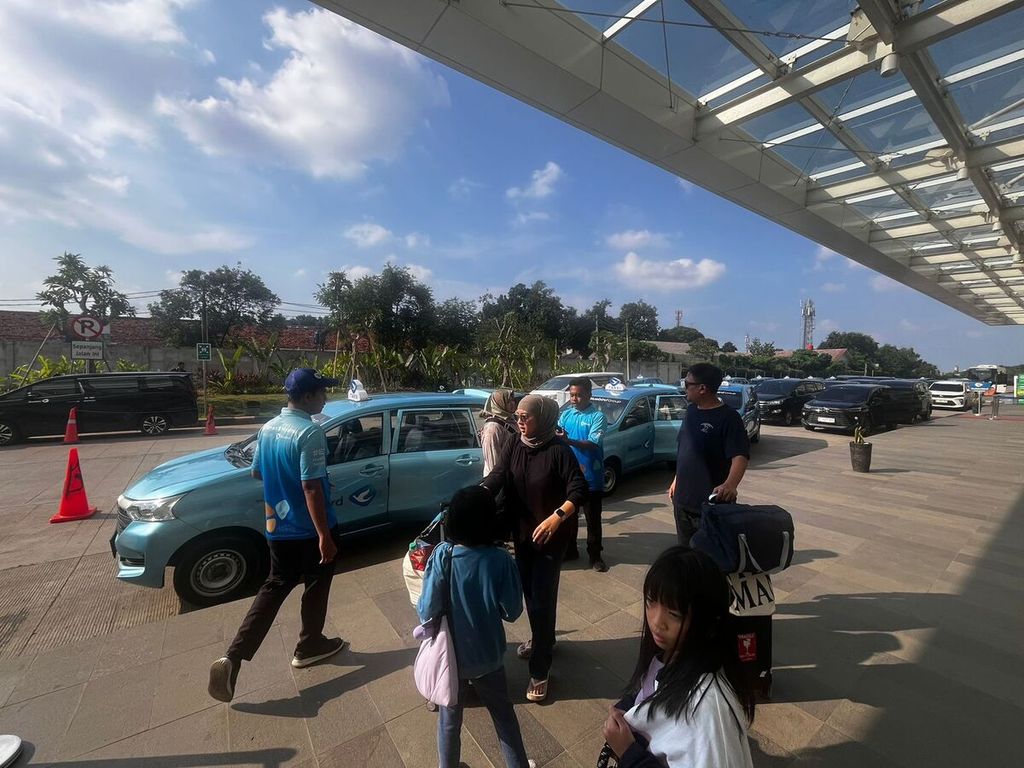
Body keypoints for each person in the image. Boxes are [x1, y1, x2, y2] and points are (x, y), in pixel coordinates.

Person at [208, 368, 346, 702]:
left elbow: (258, 471)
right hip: (306, 530)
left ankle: (233, 657)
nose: (326, 398)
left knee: (273, 588)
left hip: (275, 527)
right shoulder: (309, 433)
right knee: (316, 583)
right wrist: (324, 536)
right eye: (322, 392)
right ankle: (309, 643)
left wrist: (282, 486)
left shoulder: (269, 428)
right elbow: (311, 487)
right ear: (309, 396)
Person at [601, 546, 755, 768]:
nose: (656, 622)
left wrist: (628, 753)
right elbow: (650, 689)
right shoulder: (672, 653)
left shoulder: (707, 711)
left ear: (709, 622)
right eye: (650, 602)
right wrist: (627, 709)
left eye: (674, 614)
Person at [418, 486, 537, 768]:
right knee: (504, 716)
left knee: (449, 720)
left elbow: (426, 610)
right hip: (489, 657)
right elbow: (512, 612)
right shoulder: (500, 560)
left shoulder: (442, 555)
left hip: (451, 659)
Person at [482, 394, 588, 703]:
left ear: (542, 418)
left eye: (525, 417)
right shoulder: (515, 442)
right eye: (517, 416)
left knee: (541, 599)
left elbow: (578, 490)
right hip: (522, 535)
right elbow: (499, 474)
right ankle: (545, 638)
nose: (519, 421)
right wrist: (478, 494)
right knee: (531, 595)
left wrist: (557, 518)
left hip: (550, 539)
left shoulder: (559, 451)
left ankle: (540, 669)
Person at [668, 363, 750, 544]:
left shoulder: (729, 418)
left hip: (711, 505)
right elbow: (685, 450)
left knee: (710, 559)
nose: (684, 389)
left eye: (687, 384)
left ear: (702, 388)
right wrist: (677, 479)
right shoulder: (691, 412)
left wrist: (730, 484)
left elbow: (740, 456)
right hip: (682, 501)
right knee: (686, 554)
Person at [557, 377, 608, 571]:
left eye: (578, 395)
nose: (574, 399)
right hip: (569, 476)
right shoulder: (566, 415)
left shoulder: (597, 417)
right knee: (568, 516)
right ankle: (570, 550)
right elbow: (557, 434)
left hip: (591, 478)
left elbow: (593, 443)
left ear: (589, 394)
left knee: (593, 519)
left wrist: (567, 441)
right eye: (571, 395)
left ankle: (595, 556)